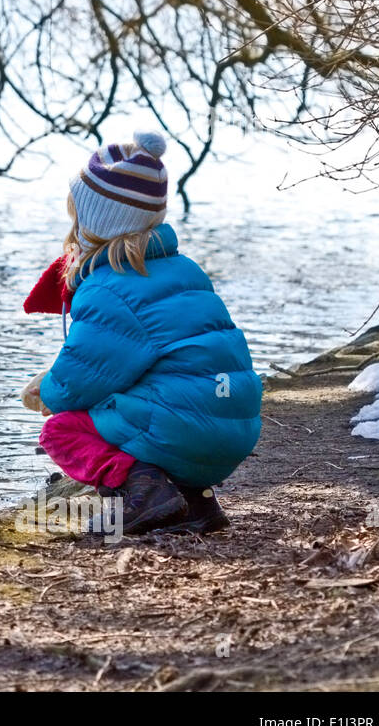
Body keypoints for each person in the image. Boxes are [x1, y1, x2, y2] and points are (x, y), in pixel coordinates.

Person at [20, 132, 262, 534]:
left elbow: (83, 373)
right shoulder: (184, 268)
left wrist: (50, 393)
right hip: (233, 424)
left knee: (61, 430)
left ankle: (146, 493)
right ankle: (198, 504)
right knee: (161, 396)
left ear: (95, 221)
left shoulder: (108, 287)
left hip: (185, 427)